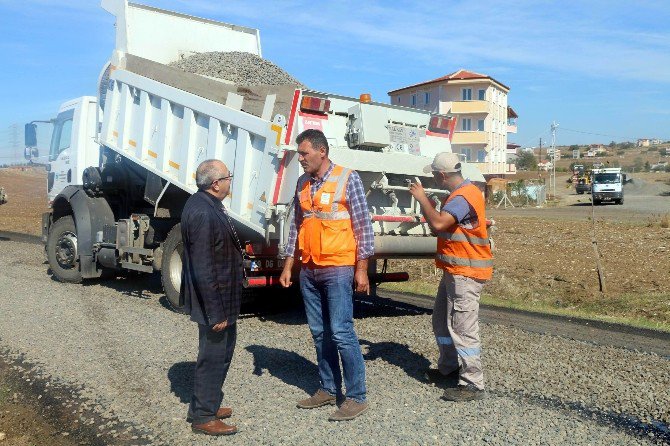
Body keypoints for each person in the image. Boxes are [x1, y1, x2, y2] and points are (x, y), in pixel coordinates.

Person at [279, 129, 374, 421]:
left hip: (338, 267)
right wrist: (288, 265)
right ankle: (328, 388)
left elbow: (363, 227)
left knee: (342, 331)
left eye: (305, 153)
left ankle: (357, 396)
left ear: (322, 151)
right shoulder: (302, 183)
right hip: (309, 268)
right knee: (319, 332)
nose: (301, 158)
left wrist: (362, 271)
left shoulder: (348, 178)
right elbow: (296, 226)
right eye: (300, 153)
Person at [408, 152, 493, 402]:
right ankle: (448, 368)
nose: (433, 178)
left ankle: (473, 383)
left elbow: (439, 224)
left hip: (466, 272)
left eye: (434, 174)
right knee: (441, 322)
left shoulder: (462, 197)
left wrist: (422, 198)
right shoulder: (463, 194)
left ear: (442, 175)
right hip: (455, 271)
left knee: (463, 327)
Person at [181, 159, 243, 435]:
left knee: (222, 352)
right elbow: (203, 266)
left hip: (223, 297)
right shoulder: (203, 212)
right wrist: (216, 313)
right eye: (228, 177)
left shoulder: (209, 205)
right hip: (214, 301)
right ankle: (204, 417)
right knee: (213, 355)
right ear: (216, 183)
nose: (231, 181)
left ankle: (205, 404)